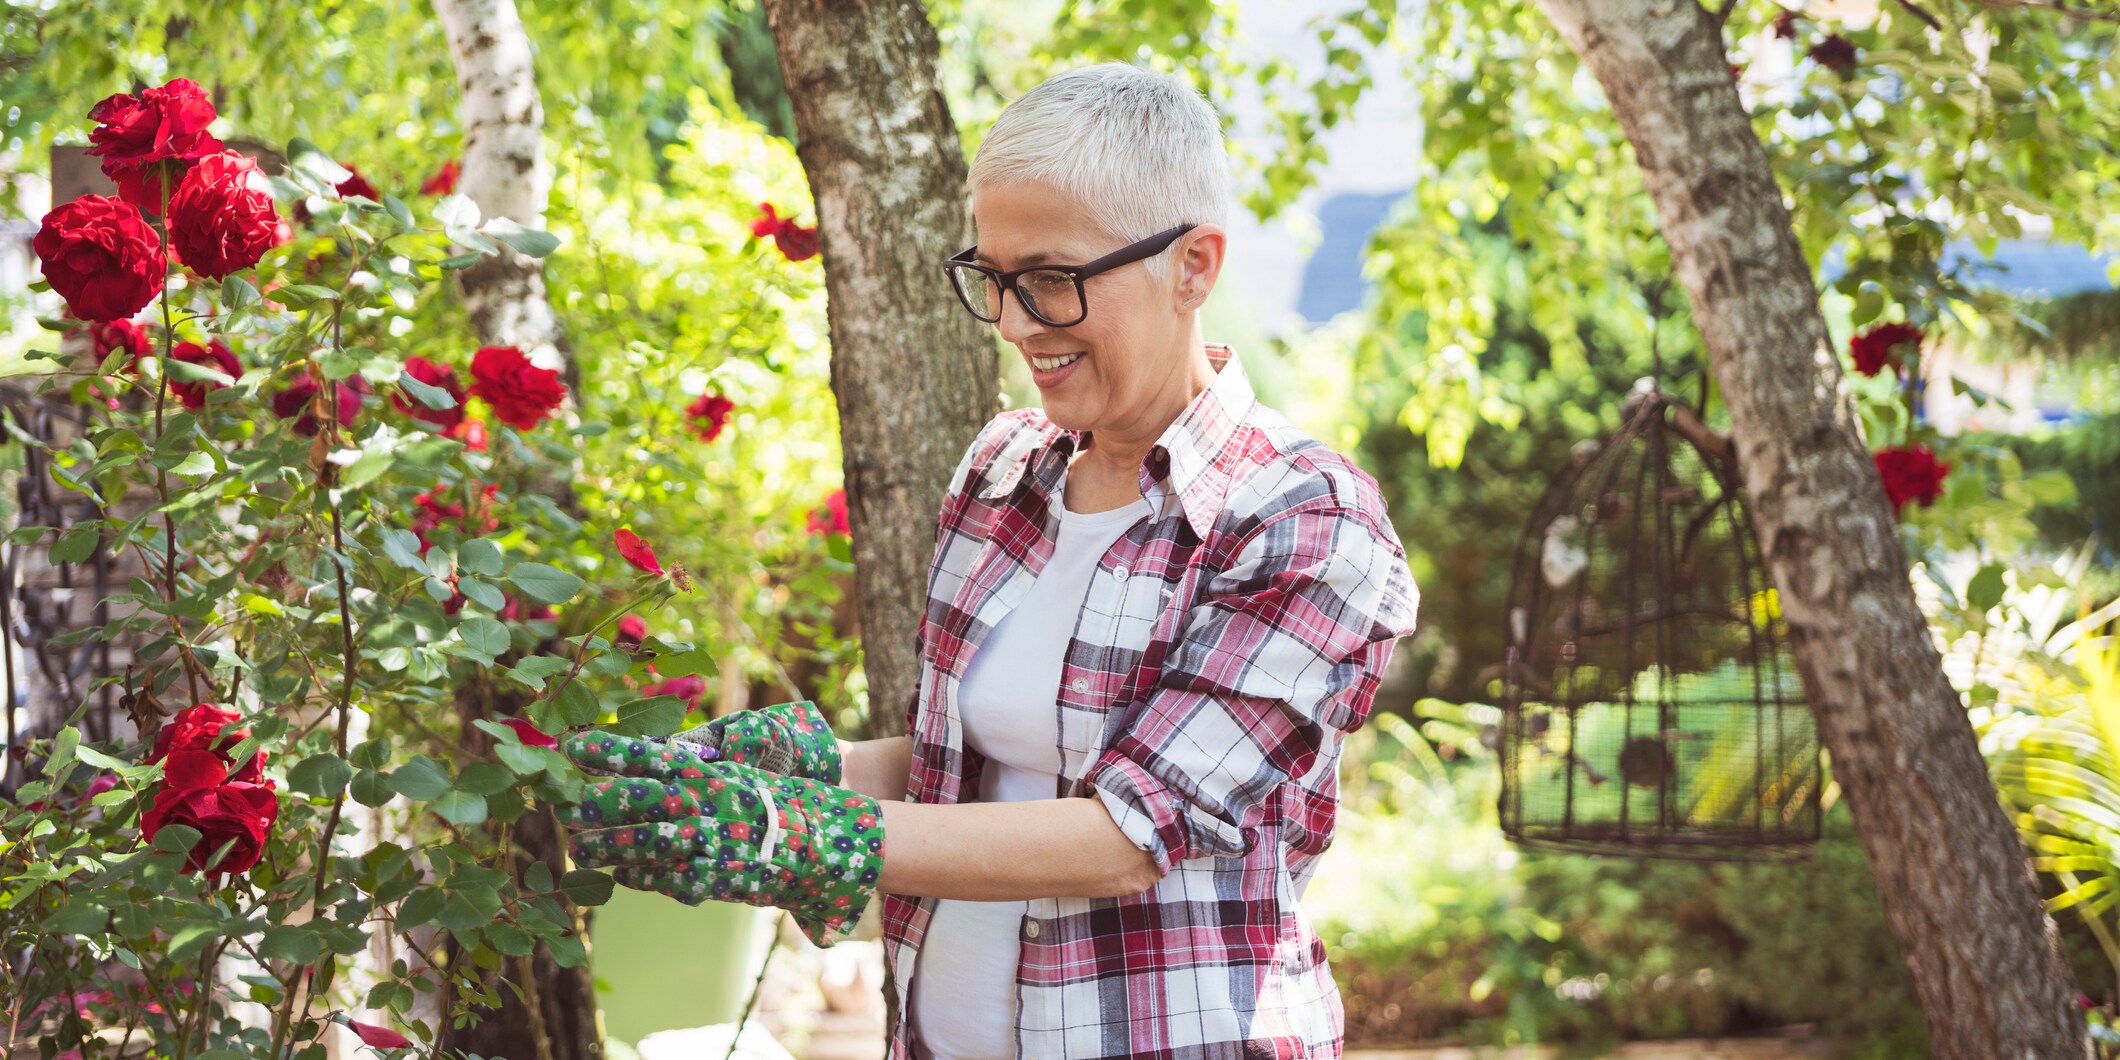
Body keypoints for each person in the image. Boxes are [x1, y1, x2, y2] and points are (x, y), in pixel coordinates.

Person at [557, 62, 1419, 1058]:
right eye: (993, 279)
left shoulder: (1301, 518)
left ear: (1193, 265)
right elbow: (969, 770)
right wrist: (807, 770)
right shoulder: (1002, 471)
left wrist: (800, 829)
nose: (1013, 323)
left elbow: (1128, 835)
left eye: (1051, 280)